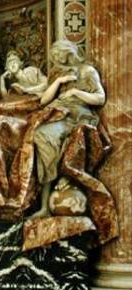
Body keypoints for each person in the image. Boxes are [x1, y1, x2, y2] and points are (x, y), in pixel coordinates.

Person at [32, 39, 105, 218]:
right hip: (59, 114)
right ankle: (44, 206)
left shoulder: (87, 71)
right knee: (41, 136)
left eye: (58, 54)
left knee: (53, 139)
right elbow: (43, 101)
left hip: (77, 115)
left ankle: (61, 177)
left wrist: (75, 92)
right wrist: (59, 81)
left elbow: (100, 98)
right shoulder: (59, 73)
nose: (56, 58)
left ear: (68, 51)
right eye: (54, 56)